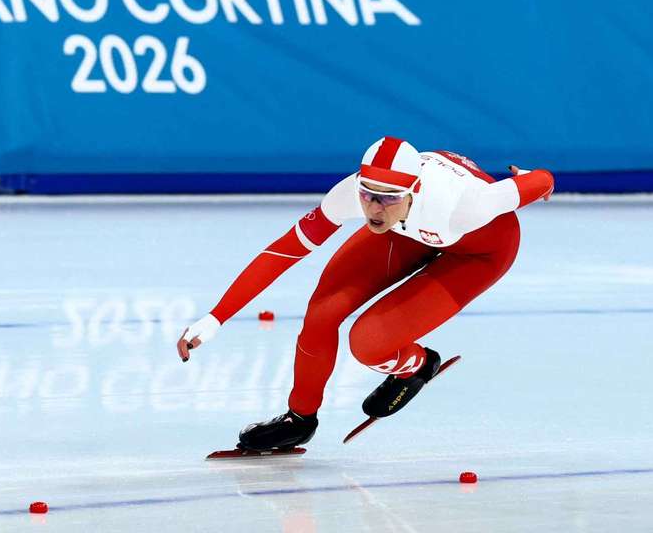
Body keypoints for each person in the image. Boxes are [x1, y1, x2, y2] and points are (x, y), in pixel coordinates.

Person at [176, 137, 554, 450]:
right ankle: (299, 418)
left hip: (480, 250)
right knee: (322, 312)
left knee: (368, 344)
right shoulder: (356, 196)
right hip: (406, 230)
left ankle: (418, 365)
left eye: (388, 197)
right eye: (368, 194)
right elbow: (284, 250)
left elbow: (543, 179)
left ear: (414, 190)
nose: (374, 207)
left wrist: (530, 178)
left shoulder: (466, 206)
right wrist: (215, 317)